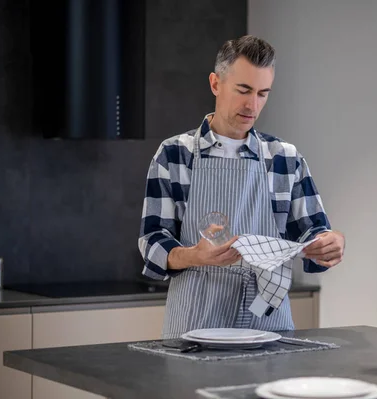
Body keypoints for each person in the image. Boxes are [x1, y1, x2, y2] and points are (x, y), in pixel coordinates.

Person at [138, 35, 345, 339]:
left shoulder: (284, 158)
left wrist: (330, 243)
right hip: (196, 324)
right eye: (244, 90)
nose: (253, 105)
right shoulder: (174, 154)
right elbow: (152, 241)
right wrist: (196, 255)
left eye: (263, 93)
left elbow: (313, 231)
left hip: (268, 325)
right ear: (215, 84)